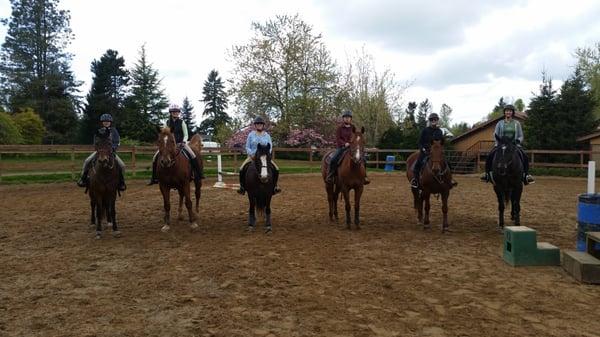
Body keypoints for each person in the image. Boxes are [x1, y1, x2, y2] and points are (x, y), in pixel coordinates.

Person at [148, 104, 203, 185]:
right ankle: (154, 178)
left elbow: (186, 134)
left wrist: (184, 142)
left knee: (192, 155)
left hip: (181, 143)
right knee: (155, 157)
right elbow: (164, 133)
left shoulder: (182, 122)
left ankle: (198, 174)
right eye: (174, 112)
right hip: (169, 145)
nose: (175, 113)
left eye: (177, 112)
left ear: (179, 113)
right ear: (171, 113)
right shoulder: (167, 122)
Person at [480, 104, 535, 185]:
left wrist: (517, 141)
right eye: (506, 111)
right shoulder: (500, 123)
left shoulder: (517, 123)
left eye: (510, 111)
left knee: (525, 156)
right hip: (501, 145)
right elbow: (495, 134)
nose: (508, 112)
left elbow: (521, 135)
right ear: (504, 113)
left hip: (514, 145)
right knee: (490, 156)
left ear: (512, 113)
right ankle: (486, 174)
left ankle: (526, 176)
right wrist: (499, 142)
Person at [77, 113, 126, 191]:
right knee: (87, 161)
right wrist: (98, 149)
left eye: (108, 121)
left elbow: (117, 142)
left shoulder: (114, 131)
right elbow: (95, 142)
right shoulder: (99, 131)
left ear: (110, 122)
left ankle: (121, 182)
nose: (106, 122)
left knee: (122, 166)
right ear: (102, 122)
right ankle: (83, 179)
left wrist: (112, 148)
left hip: (111, 152)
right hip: (99, 152)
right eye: (104, 121)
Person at [410, 113, 457, 189]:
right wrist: (422, 149)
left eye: (435, 119)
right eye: (432, 119)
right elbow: (420, 142)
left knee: (447, 162)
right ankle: (415, 180)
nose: (433, 121)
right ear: (430, 121)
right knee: (418, 163)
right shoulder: (425, 130)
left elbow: (441, 142)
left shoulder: (439, 131)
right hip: (425, 151)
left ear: (437, 121)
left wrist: (442, 147)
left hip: (436, 152)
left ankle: (450, 179)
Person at [237, 116, 281, 195]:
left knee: (276, 169)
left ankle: (274, 187)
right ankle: (242, 187)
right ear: (255, 125)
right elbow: (247, 146)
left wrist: (267, 155)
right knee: (241, 169)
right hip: (253, 156)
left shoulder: (267, 135)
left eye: (260, 124)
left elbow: (270, 147)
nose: (259, 125)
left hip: (264, 157)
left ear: (263, 125)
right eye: (257, 124)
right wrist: (251, 154)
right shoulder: (251, 135)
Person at [325, 110, 370, 185]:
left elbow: (355, 137)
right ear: (343, 119)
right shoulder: (339, 128)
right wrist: (344, 144)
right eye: (345, 117)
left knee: (364, 159)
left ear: (351, 119)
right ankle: (330, 176)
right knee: (333, 159)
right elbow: (338, 139)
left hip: (351, 148)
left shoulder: (353, 128)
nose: (347, 119)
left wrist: (352, 144)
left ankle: (364, 176)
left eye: (348, 117)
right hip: (342, 148)